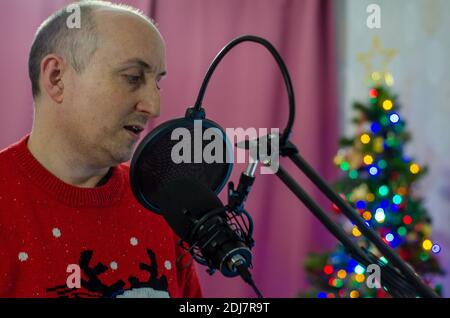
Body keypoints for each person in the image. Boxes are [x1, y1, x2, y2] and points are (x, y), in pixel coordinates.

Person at [0, 0, 202, 298]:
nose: (153, 106)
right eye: (133, 78)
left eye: (157, 83)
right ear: (57, 78)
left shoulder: (161, 203)